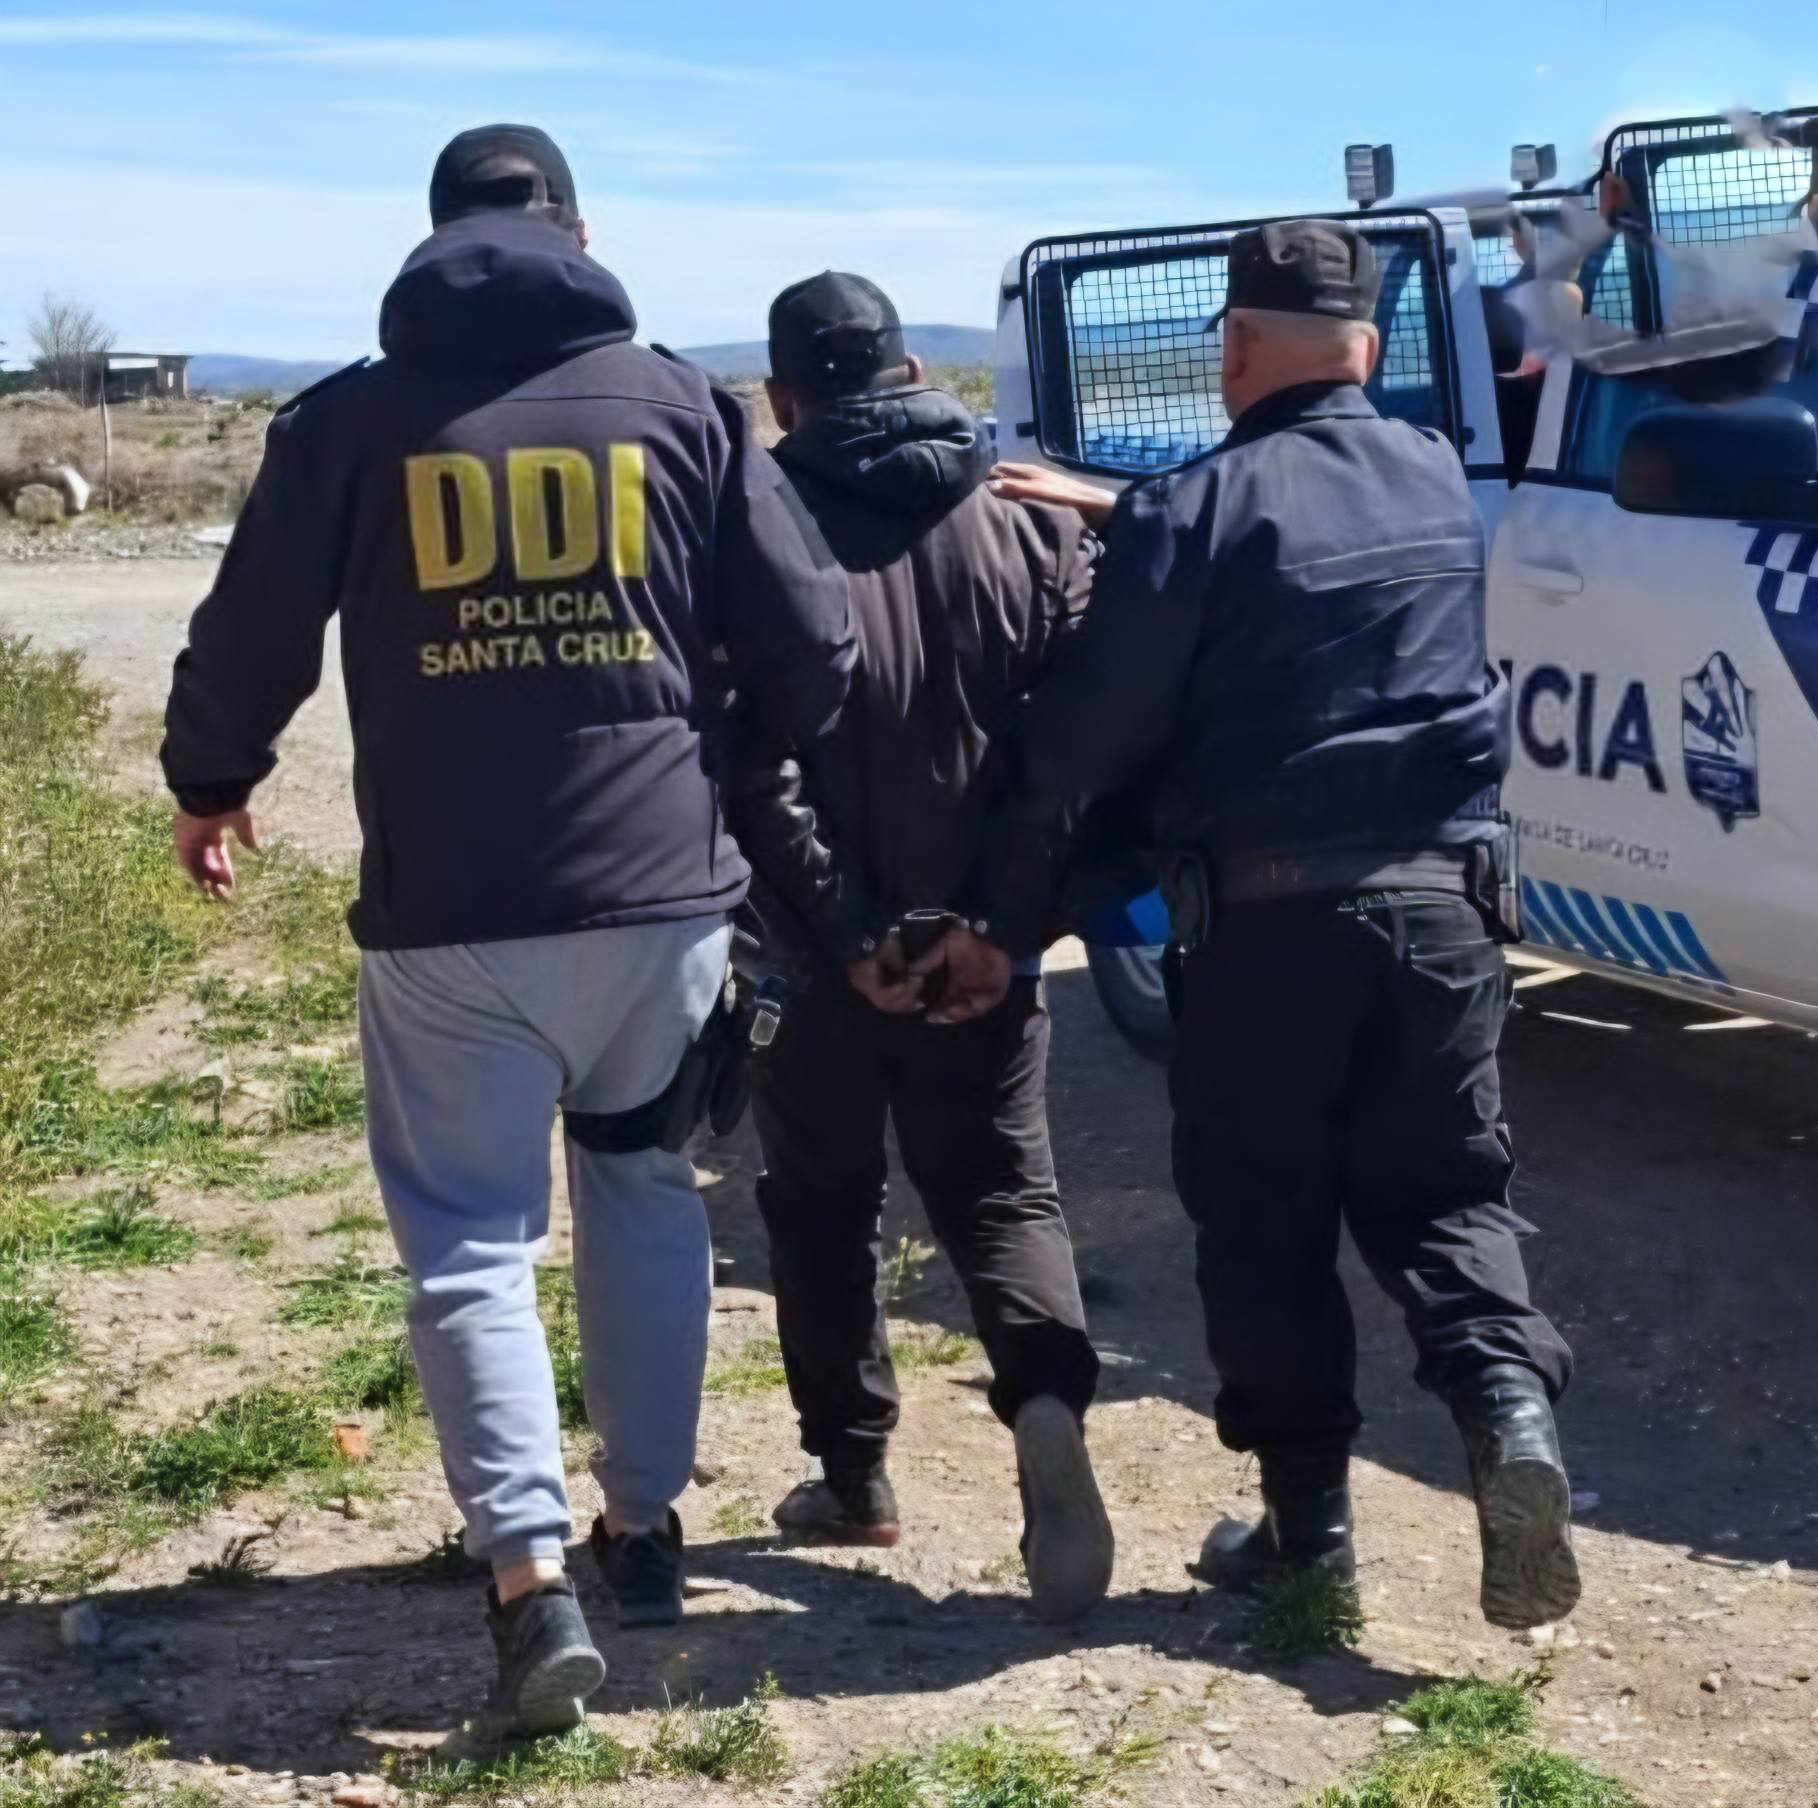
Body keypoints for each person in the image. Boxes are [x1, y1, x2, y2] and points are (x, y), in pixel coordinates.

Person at [160, 125, 854, 1732]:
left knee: (470, 1243)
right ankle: (649, 1524)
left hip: (451, 916)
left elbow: (252, 623)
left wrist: (212, 780)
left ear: (428, 240)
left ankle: (530, 1580)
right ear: (580, 227)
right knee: (643, 1188)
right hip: (661, 903)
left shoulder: (347, 419)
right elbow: (813, 641)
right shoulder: (682, 404)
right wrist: (720, 760)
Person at [984, 220, 1580, 1632]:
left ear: (1237, 347)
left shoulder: (1196, 505)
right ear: (1367, 345)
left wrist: (1017, 824)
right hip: (1444, 909)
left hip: (1269, 931)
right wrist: (1135, 513)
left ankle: (1308, 1537)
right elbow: (1295, 543)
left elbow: (1094, 734)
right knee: (1446, 1195)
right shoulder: (1435, 476)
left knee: (1267, 1220)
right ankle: (1511, 1422)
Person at [721, 271, 1113, 1624]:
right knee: (1004, 1194)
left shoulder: (764, 519)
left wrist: (849, 933)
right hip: (987, 953)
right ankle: (1048, 1415)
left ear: (786, 394)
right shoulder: (1025, 516)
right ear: (906, 372)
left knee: (822, 1210)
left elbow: (751, 762)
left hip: (825, 957)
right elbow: (1066, 759)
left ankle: (856, 1477)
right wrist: (1000, 926)